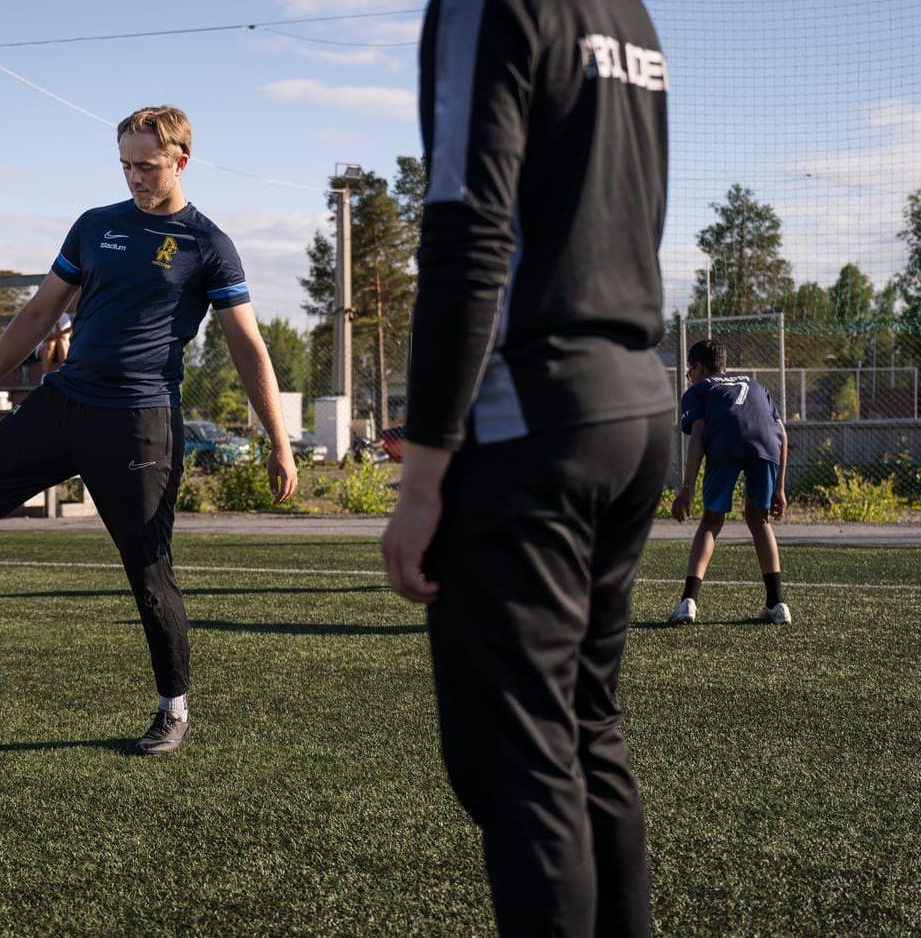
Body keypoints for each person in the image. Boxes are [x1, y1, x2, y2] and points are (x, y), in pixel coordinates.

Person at [0, 105, 297, 756]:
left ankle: (173, 709)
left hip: (140, 423)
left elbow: (249, 349)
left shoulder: (208, 245)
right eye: (125, 164)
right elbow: (38, 313)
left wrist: (279, 442)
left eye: (146, 165)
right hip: (64, 404)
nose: (134, 177)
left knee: (148, 571)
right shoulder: (95, 227)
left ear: (180, 160)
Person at [381, 1, 672, 934]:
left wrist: (423, 470)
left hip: (531, 416)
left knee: (520, 764)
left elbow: (468, 227)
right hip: (634, 400)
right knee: (587, 732)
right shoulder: (629, 14)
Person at [667, 339, 791, 625]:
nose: (689, 376)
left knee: (711, 521)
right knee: (759, 520)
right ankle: (777, 604)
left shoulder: (700, 389)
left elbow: (698, 433)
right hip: (766, 444)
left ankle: (688, 602)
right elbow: (781, 432)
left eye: (690, 370)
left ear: (698, 367)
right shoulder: (756, 385)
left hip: (726, 441)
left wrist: (686, 489)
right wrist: (781, 489)